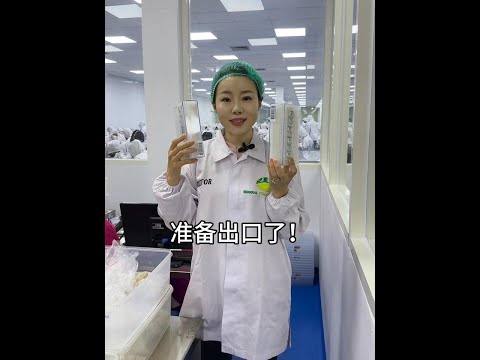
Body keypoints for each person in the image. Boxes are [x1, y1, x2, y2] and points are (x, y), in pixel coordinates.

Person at [152, 61, 310, 360]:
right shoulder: (198, 159)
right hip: (212, 285)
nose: (237, 108)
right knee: (211, 352)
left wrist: (280, 193)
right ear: (214, 106)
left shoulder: (278, 160)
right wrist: (173, 176)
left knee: (262, 351)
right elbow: (179, 223)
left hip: (260, 284)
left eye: (247, 97)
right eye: (226, 98)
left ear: (260, 103)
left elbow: (294, 230)